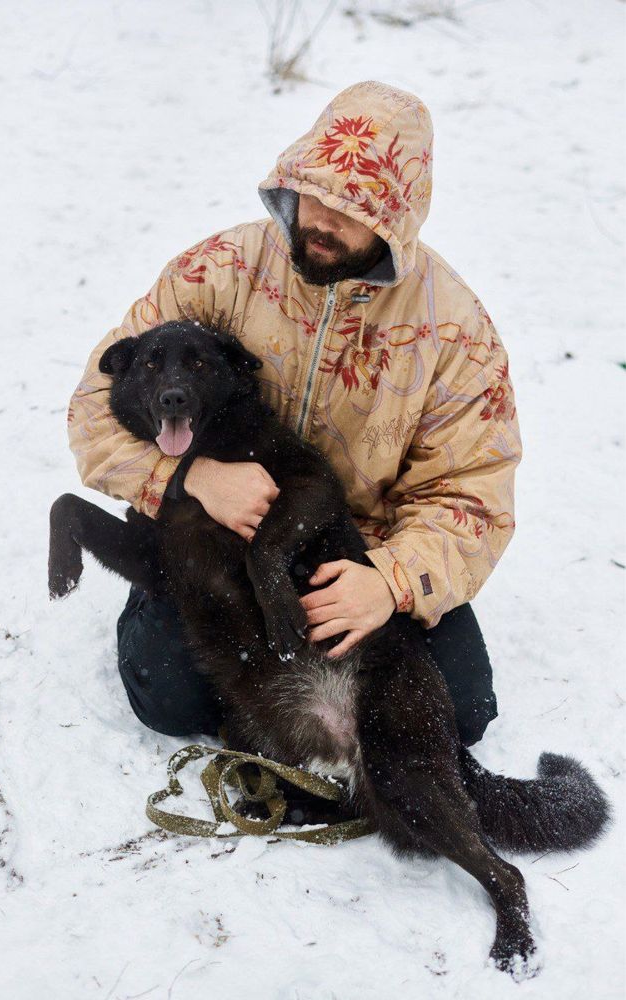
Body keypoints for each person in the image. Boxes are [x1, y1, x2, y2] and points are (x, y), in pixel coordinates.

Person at [68, 81, 521, 747]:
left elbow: (472, 495)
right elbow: (94, 408)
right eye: (313, 191)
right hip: (208, 529)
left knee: (456, 713)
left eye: (352, 207)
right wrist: (185, 480)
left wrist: (388, 580)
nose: (321, 218)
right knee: (169, 695)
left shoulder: (453, 330)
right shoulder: (220, 270)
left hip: (350, 546)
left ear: (395, 217)